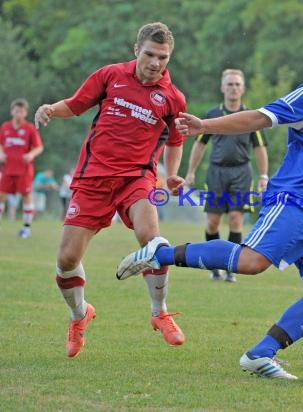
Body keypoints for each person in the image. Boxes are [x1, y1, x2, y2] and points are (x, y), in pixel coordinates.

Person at [117, 34, 303, 379]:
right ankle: (161, 253)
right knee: (251, 261)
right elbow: (259, 118)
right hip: (295, 201)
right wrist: (206, 126)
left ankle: (260, 354)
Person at [34, 22, 187, 358]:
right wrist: (50, 110)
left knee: (153, 240)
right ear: (137, 50)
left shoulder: (172, 97)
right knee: (66, 259)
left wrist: (172, 175)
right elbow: (75, 104)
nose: (156, 62)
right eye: (149, 54)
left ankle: (159, 312)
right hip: (93, 178)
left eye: (163, 57)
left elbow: (176, 140)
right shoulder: (109, 76)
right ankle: (79, 315)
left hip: (137, 178)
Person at [185, 69, 269, 283]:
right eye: (229, 84)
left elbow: (260, 148)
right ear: (222, 87)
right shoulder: (213, 115)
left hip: (242, 173)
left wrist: (264, 175)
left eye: (237, 84)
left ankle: (231, 267)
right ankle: (214, 266)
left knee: (235, 219)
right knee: (213, 222)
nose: (233, 88)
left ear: (243, 88)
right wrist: (191, 172)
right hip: (216, 172)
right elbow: (199, 145)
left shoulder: (252, 116)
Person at [0, 98, 44, 238]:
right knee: (1, 196)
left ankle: (26, 229)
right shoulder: (5, 127)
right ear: (12, 111)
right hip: (7, 168)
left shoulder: (30, 128)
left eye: (22, 111)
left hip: (24, 170)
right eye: (16, 111)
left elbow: (39, 147)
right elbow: (0, 144)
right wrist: (0, 153)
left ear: (25, 113)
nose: (19, 113)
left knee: (26, 196)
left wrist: (31, 154)